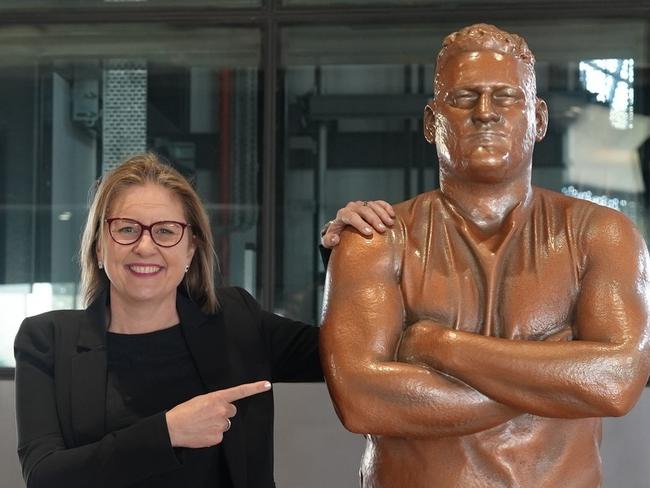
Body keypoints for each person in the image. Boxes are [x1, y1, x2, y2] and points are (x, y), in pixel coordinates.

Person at [320, 23, 650, 488]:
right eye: (463, 98)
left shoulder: (603, 233)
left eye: (506, 97)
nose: (485, 113)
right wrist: (555, 380)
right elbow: (361, 399)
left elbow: (615, 383)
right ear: (432, 122)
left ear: (538, 118)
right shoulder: (376, 237)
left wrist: (438, 345)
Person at [14, 152, 394, 488]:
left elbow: (349, 352)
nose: (145, 246)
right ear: (99, 246)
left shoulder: (237, 323)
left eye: (165, 231)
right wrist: (168, 433)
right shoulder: (47, 341)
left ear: (191, 249)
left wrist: (351, 255)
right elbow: (44, 475)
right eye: (126, 229)